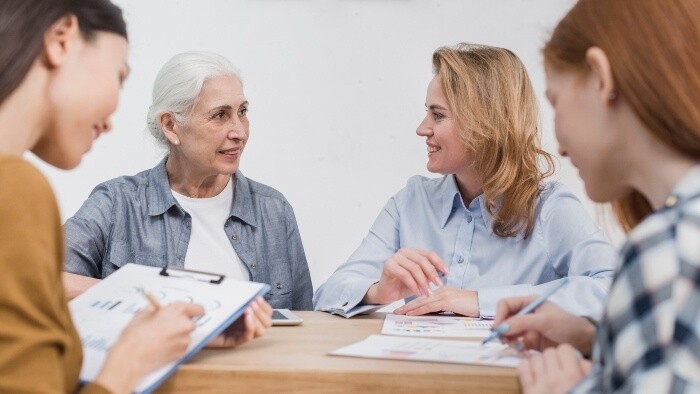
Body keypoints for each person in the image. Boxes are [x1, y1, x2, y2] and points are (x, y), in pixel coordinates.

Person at [0, 1, 270, 392]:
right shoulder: (18, 189)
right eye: (118, 76)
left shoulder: (272, 209)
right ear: (60, 41)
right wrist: (131, 361)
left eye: (242, 112)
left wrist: (185, 327)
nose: (111, 119)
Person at [314, 43, 617, 319]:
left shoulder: (549, 208)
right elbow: (326, 296)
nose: (422, 129)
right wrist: (379, 290)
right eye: (427, 113)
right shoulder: (411, 201)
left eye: (438, 115)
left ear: (483, 122)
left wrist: (479, 301)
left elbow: (613, 288)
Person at [493, 0, 700, 392]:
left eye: (555, 101)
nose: (558, 144)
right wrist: (598, 337)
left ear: (600, 77)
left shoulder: (667, 250)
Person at [61, 51, 313, 311]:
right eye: (220, 115)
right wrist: (141, 295)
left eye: (243, 111)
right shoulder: (117, 203)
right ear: (170, 126)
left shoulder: (274, 211)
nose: (240, 132)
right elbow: (37, 278)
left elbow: (306, 323)